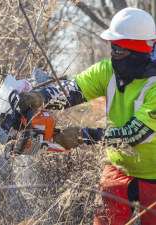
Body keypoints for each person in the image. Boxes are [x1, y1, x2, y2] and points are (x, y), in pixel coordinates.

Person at [18, 7, 156, 225]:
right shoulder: (107, 70)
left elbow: (135, 134)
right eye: (112, 47)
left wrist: (83, 135)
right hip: (119, 168)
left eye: (119, 49)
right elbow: (74, 89)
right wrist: (42, 96)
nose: (112, 54)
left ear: (138, 50)